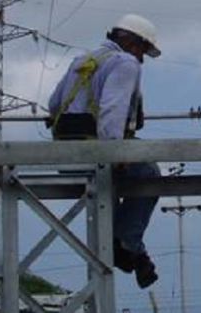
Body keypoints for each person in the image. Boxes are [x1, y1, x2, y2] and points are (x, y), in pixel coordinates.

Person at [47, 14, 162, 288]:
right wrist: (115, 153)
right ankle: (128, 246)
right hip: (96, 153)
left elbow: (53, 105)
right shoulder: (125, 62)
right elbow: (113, 110)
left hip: (66, 154)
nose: (142, 58)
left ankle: (130, 248)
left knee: (114, 189)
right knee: (148, 173)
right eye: (143, 50)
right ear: (133, 42)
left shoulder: (83, 60)